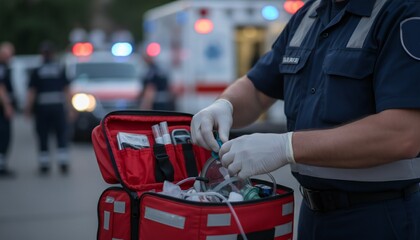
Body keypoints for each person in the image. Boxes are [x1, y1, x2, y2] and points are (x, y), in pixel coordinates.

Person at [191, 0, 420, 239]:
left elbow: (403, 134)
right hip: (312, 217)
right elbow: (258, 89)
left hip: (380, 217)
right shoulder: (309, 15)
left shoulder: (402, 10)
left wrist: (286, 147)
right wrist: (224, 105)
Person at [24, 41, 72, 174]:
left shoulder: (37, 70)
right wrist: (71, 108)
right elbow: (67, 89)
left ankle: (44, 164)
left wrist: (28, 108)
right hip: (58, 107)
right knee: (61, 134)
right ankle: (63, 163)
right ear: (53, 54)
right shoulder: (60, 68)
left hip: (42, 108)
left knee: (43, 135)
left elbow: (32, 91)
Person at [0, 42, 16, 177]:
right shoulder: (1, 68)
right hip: (2, 110)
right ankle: (2, 167)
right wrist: (7, 106)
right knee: (4, 137)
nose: (10, 57)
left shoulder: (5, 66)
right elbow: (1, 88)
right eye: (8, 54)